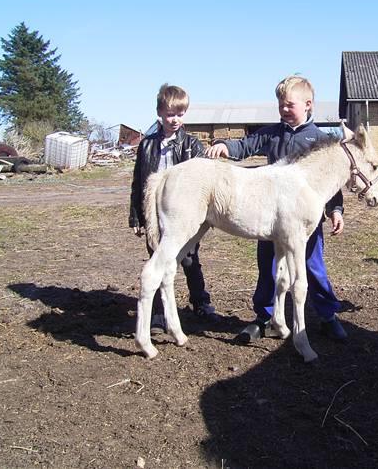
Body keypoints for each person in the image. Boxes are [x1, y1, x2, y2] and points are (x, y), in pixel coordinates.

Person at [205, 75, 347, 343]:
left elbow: (331, 182)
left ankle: (328, 316)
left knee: (313, 267)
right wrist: (226, 146)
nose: (283, 109)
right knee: (268, 268)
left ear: (308, 104)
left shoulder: (319, 139)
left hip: (305, 220)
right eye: (280, 104)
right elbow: (246, 145)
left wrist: (335, 209)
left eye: (289, 105)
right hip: (269, 215)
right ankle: (264, 317)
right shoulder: (272, 132)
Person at [129, 83, 220, 328]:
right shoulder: (147, 145)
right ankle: (158, 312)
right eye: (170, 114)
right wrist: (136, 217)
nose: (175, 120)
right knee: (158, 257)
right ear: (159, 112)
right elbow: (138, 183)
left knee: (190, 258)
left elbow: (203, 179)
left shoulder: (192, 144)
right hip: (156, 210)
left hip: (185, 211)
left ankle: (201, 302)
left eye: (180, 114)